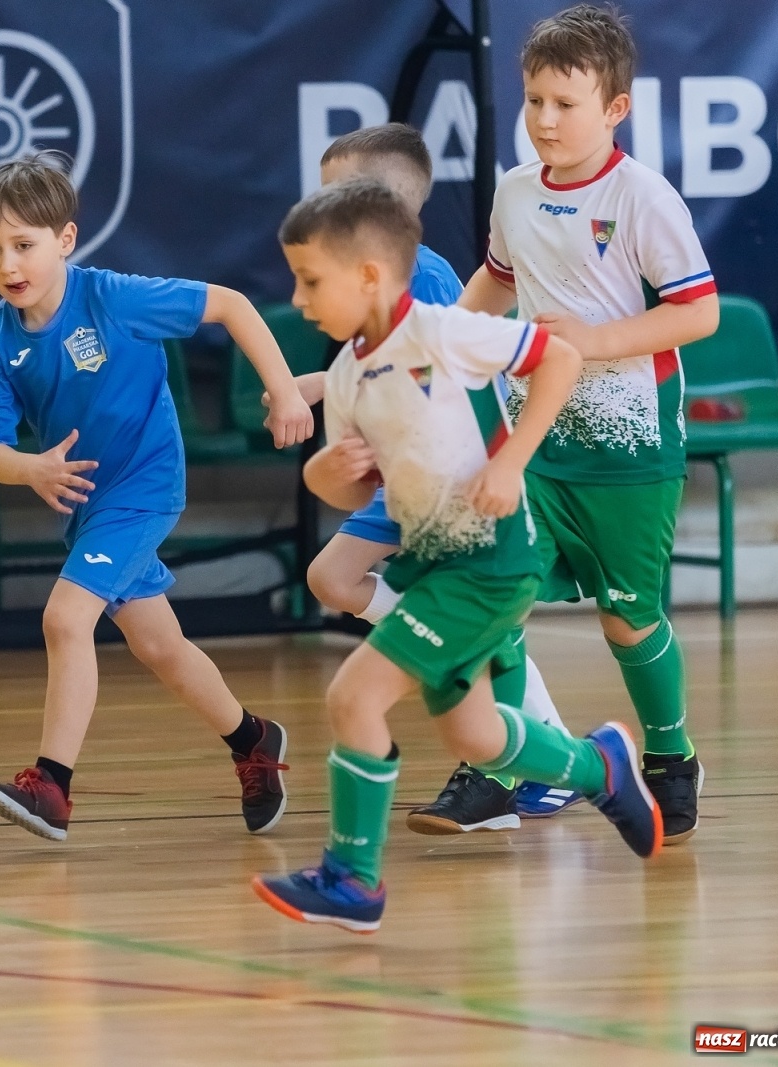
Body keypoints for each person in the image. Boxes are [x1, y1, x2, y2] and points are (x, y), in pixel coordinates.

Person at [252, 178, 663, 933]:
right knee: (475, 736)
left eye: (312, 281)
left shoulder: (444, 331)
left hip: (492, 562)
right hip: (438, 562)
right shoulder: (347, 372)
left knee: (355, 697)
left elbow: (560, 358)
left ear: (370, 275)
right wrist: (328, 473)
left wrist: (510, 464)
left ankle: (353, 878)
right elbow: (337, 482)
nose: (300, 299)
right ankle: (598, 765)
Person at [0, 153, 314, 841]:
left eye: (24, 245)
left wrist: (281, 388)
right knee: (159, 646)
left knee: (67, 620)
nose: (9, 262)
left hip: (146, 484)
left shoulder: (111, 298)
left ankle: (53, 788)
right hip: (91, 505)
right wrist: (31, 468)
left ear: (64, 241)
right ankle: (253, 740)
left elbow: (231, 304)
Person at [456, 4, 718, 843]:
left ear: (615, 109)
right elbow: (495, 283)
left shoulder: (643, 197)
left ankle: (670, 756)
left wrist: (600, 341)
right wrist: (436, 359)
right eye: (533, 100)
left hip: (630, 446)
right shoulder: (515, 190)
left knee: (625, 619)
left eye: (565, 104)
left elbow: (699, 313)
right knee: (493, 598)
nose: (543, 120)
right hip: (534, 440)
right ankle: (501, 764)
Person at [300, 123, 581, 831]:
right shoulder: (355, 297)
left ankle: (541, 765)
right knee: (336, 579)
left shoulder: (421, 284)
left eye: (340, 195)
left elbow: (481, 374)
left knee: (477, 629)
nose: (323, 207)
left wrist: (504, 461)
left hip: (455, 485)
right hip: (407, 481)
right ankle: (531, 742)